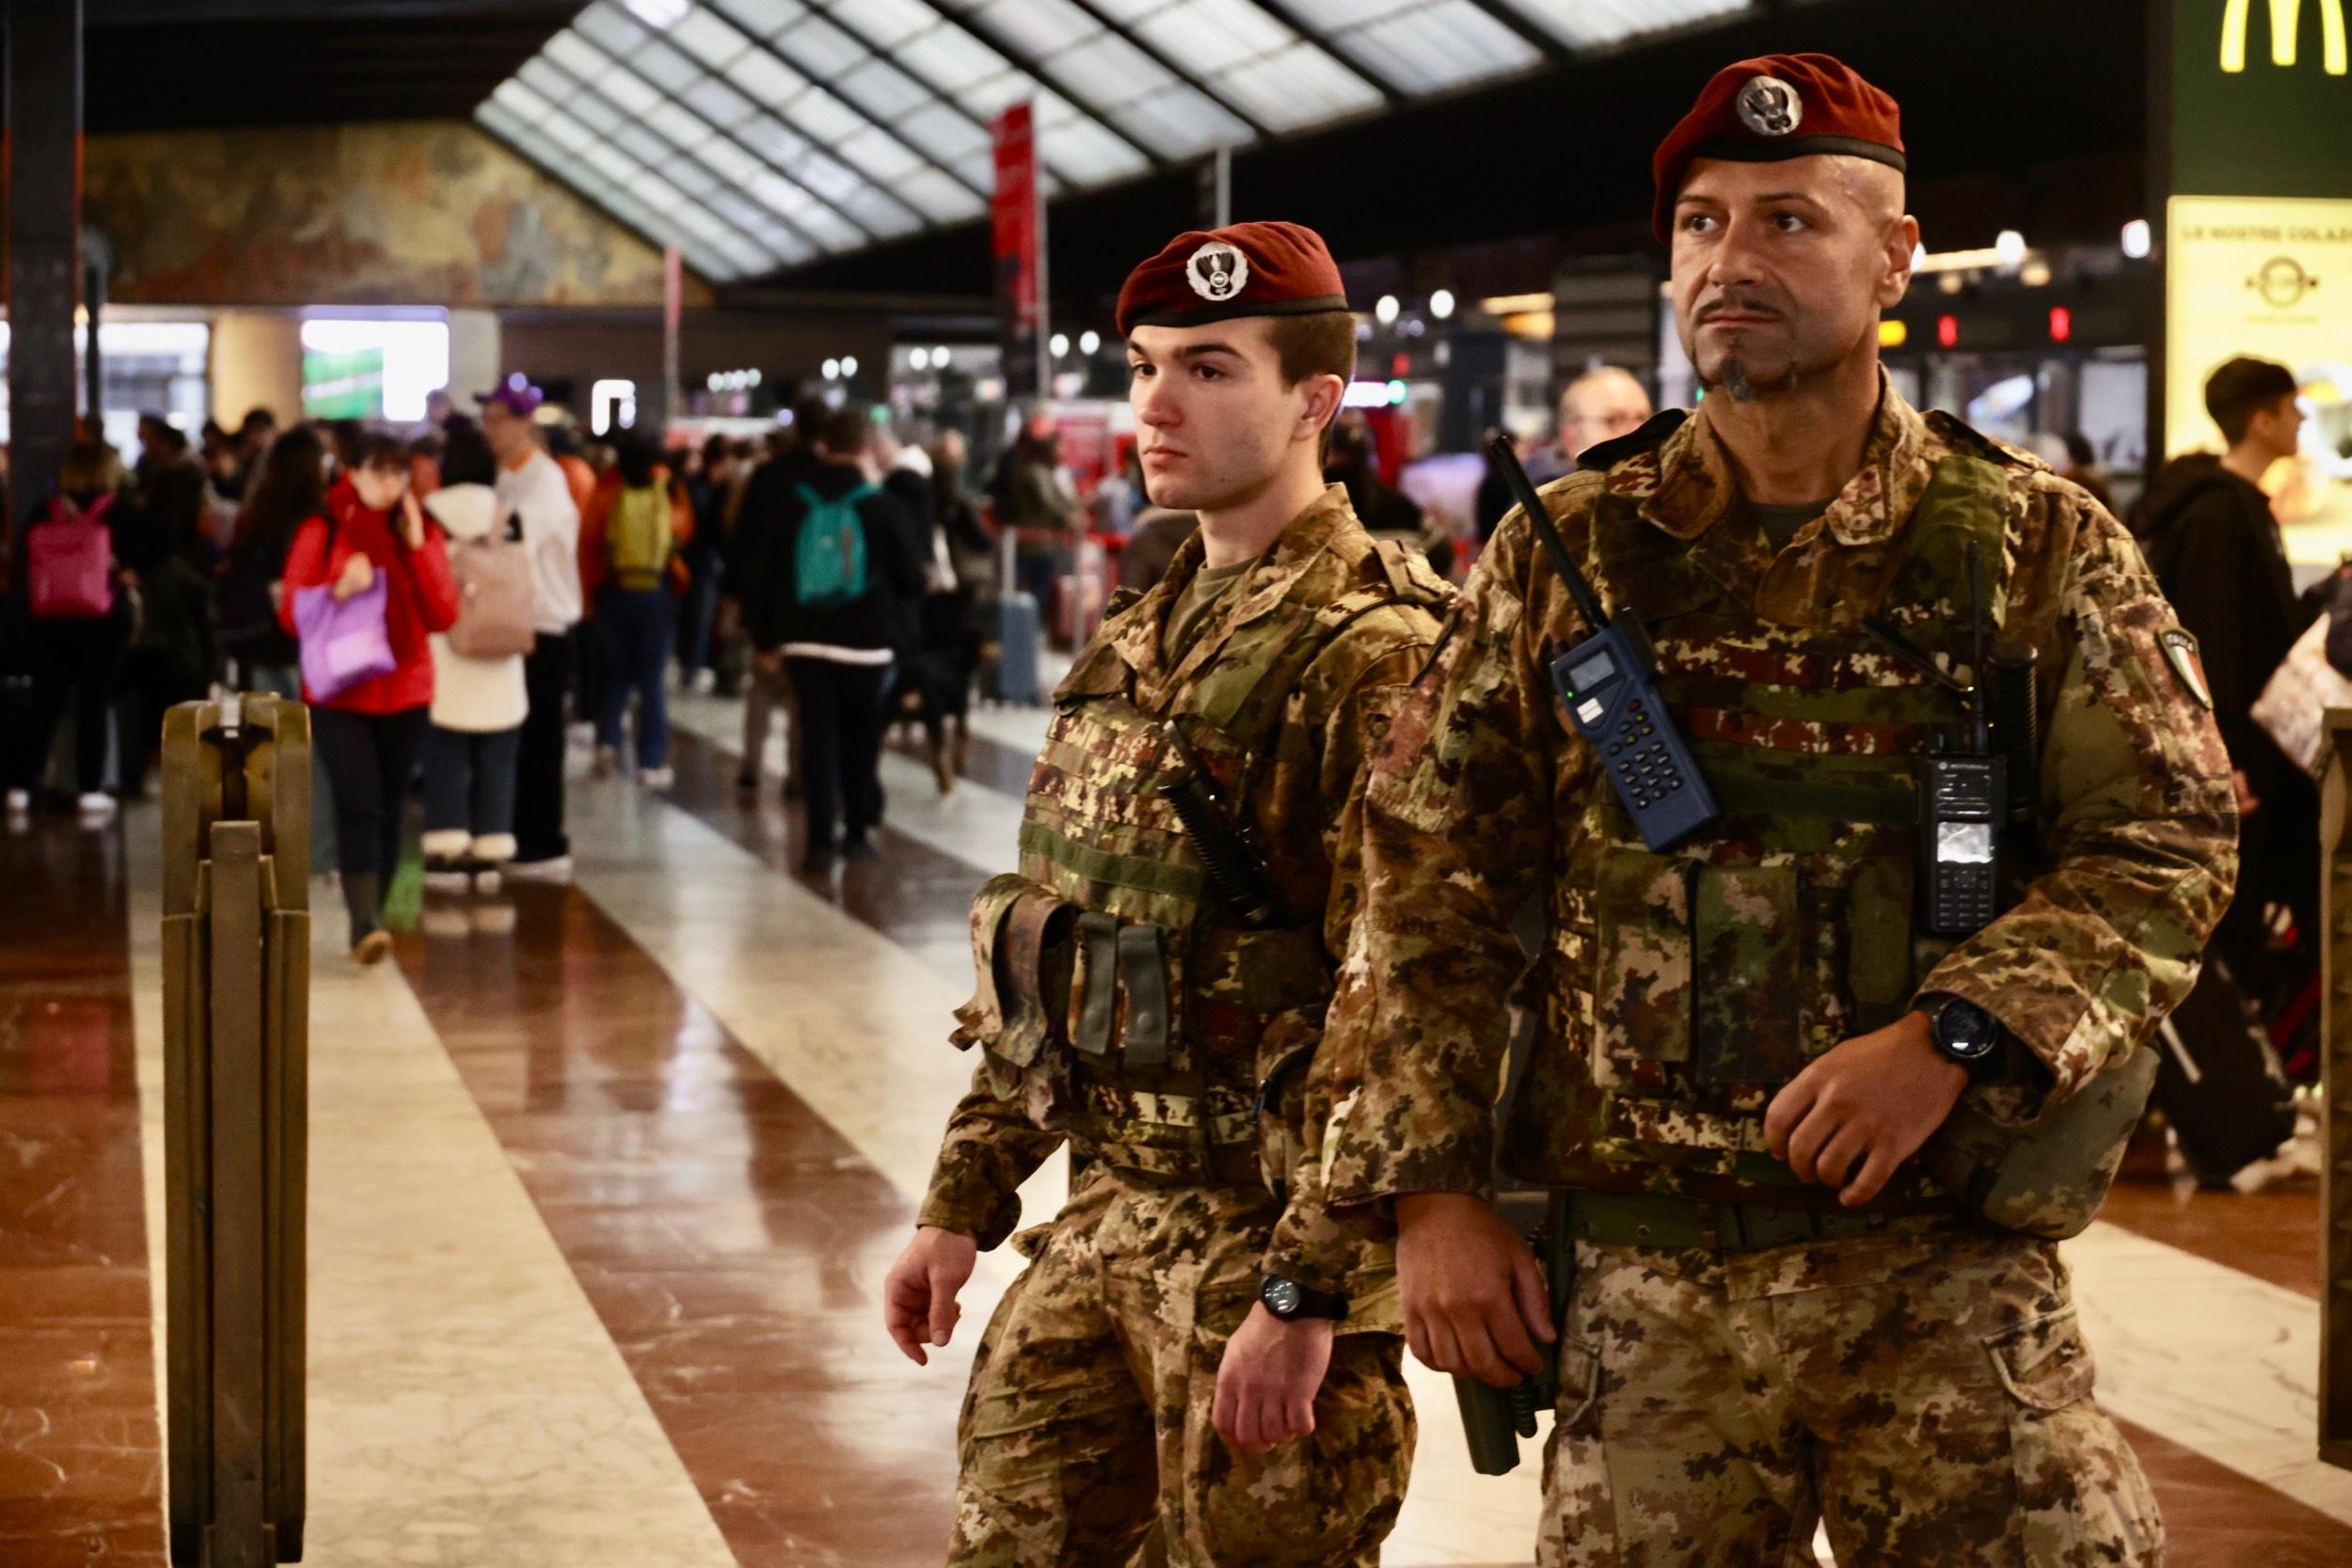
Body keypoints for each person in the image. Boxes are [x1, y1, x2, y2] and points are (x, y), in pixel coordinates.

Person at [1316, 55, 2233, 1567]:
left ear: (1894, 257)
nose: (1729, 263)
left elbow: (2169, 835)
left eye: (1789, 222)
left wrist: (1953, 1034)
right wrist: (1431, 1191)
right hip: (1648, 1301)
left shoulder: (2031, 545)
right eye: (1700, 224)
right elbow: (1428, 877)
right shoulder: (1569, 551)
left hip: (1947, 1284)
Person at [882, 220, 1449, 1566]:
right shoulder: (1139, 637)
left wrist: (1309, 1286)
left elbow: (1407, 1008)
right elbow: (1053, 943)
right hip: (1100, 1220)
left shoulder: (1380, 653)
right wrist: (961, 1198)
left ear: (1316, 400)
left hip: (1263, 1250)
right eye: (1144, 366)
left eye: (1207, 367)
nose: (1153, 403)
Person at [2140, 355, 2315, 983]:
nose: (2301, 419)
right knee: (2228, 930)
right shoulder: (2217, 514)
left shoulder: (2242, 507)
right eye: (2291, 407)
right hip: (2232, 761)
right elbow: (2210, 637)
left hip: (2249, 753)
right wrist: (2223, 755)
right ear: (2262, 419)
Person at [278, 433, 457, 962]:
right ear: (350, 472)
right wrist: (339, 587)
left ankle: (372, 915)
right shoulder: (324, 529)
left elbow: (444, 615)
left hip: (406, 688)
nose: (390, 485)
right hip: (340, 692)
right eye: (379, 472)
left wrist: (419, 545)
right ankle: (363, 922)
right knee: (359, 802)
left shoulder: (420, 530)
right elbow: (292, 612)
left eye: (400, 474)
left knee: (390, 804)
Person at [745, 404, 922, 871]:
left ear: (824, 446)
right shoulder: (883, 506)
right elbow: (912, 581)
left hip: (803, 641)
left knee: (816, 738)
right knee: (862, 740)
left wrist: (765, 638)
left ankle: (819, 842)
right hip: (868, 644)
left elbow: (763, 573)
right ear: (866, 447)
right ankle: (859, 831)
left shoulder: (791, 501)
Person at [419, 419, 528, 893]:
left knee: (445, 753)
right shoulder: (510, 517)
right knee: (496, 756)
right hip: (501, 650)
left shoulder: (427, 516)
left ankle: (446, 847)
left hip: (444, 649)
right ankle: (492, 849)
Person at [482, 382, 583, 880]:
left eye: (498, 418)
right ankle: (521, 831)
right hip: (513, 621)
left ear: (526, 422)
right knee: (518, 734)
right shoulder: (506, 474)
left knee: (542, 737)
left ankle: (544, 843)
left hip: (544, 625)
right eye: (487, 418)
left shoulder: (545, 478)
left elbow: (514, 530)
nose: (489, 427)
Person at [15, 442, 136, 822]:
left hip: (48, 619)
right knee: (93, 703)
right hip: (101, 621)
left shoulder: (44, 511)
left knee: (44, 702)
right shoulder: (115, 512)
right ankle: (89, 787)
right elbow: (161, 541)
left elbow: (21, 561)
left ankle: (20, 785)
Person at [728, 400, 832, 796]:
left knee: (762, 686)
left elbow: (743, 540)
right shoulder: (825, 478)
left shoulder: (767, 474)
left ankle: (751, 766)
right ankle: (796, 773)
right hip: (812, 601)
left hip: (767, 597)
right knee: (802, 696)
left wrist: (739, 598)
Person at [579, 434, 693, 788]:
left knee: (614, 673)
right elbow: (684, 532)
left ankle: (606, 743)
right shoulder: (669, 491)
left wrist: (588, 596)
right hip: (656, 592)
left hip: (614, 591)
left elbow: (589, 541)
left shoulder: (606, 492)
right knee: (651, 679)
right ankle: (650, 761)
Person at [679, 433, 744, 692]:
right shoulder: (710, 490)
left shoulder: (691, 485)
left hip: (690, 559)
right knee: (700, 618)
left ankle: (691, 664)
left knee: (694, 616)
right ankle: (693, 667)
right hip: (704, 561)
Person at [1524, 364, 1656, 486]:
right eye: (1613, 421)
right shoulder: (1548, 503)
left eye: (1642, 418)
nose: (1637, 430)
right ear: (1570, 437)